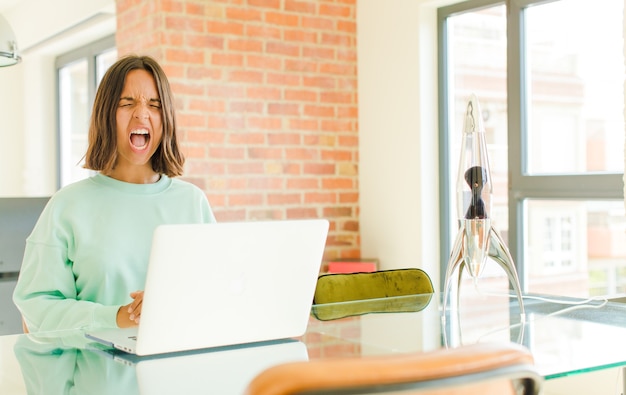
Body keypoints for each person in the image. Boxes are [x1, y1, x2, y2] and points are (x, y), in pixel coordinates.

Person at [13, 55, 216, 333]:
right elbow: (35, 311)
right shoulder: (67, 206)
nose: (141, 113)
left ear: (166, 118)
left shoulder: (193, 203)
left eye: (154, 105)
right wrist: (120, 316)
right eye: (127, 103)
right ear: (106, 114)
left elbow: (214, 295)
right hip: (95, 373)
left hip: (176, 372)